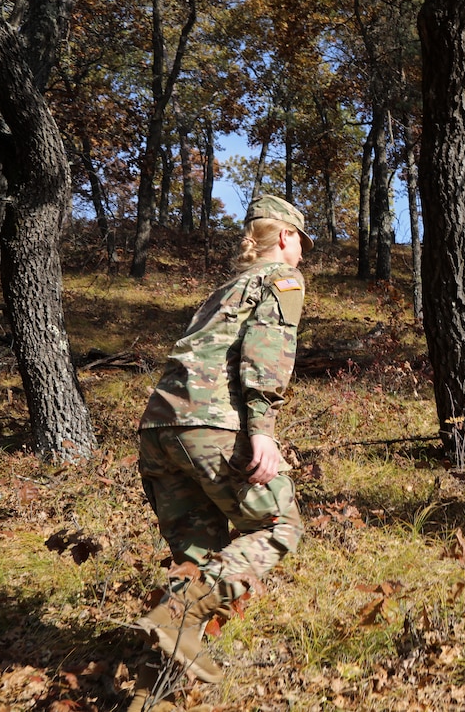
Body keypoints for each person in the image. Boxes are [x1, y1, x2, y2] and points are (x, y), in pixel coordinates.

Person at [129, 195, 312, 706]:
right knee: (279, 525)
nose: (302, 253)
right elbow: (264, 355)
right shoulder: (282, 280)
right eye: (301, 241)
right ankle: (176, 618)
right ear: (284, 237)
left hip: (160, 429)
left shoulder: (223, 289)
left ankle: (154, 693)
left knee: (196, 561)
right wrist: (264, 431)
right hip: (213, 426)